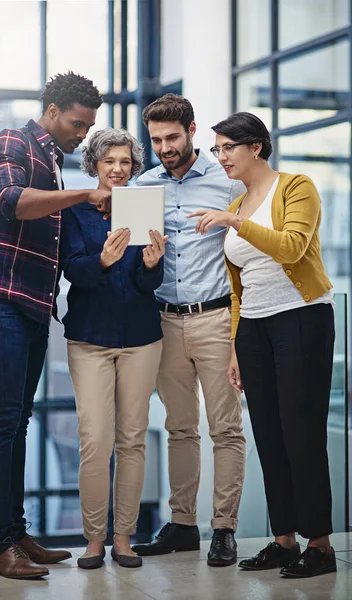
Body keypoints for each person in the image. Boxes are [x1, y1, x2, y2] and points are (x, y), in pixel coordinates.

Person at [0, 71, 111, 580]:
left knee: (17, 421)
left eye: (88, 127)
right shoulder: (12, 141)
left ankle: (14, 533)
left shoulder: (49, 158)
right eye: (76, 124)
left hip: (28, 305)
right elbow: (13, 203)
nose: (81, 135)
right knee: (2, 421)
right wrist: (85, 196)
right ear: (52, 112)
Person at [189, 111, 336, 578]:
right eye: (216, 149)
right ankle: (284, 540)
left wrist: (234, 222)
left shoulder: (296, 187)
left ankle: (320, 545)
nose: (221, 157)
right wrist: (235, 345)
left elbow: (292, 247)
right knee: (269, 437)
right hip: (253, 327)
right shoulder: (238, 197)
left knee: (301, 432)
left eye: (227, 147)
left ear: (256, 147)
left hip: (302, 320)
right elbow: (239, 288)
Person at [131, 94, 246, 567]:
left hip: (217, 319)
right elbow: (134, 266)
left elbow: (250, 241)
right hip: (164, 321)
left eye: (172, 137)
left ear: (193, 130)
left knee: (226, 429)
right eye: (156, 139)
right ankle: (182, 525)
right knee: (179, 427)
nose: (165, 147)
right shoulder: (142, 186)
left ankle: (225, 529)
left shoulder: (226, 181)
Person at [60, 128, 166, 569]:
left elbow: (150, 284)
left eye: (125, 162)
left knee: (133, 439)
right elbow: (71, 272)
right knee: (95, 440)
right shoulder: (76, 213)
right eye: (110, 162)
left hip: (141, 338)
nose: (118, 169)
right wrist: (102, 260)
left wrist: (151, 264)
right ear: (95, 166)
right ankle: (92, 540)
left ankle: (123, 538)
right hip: (90, 338)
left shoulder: (145, 207)